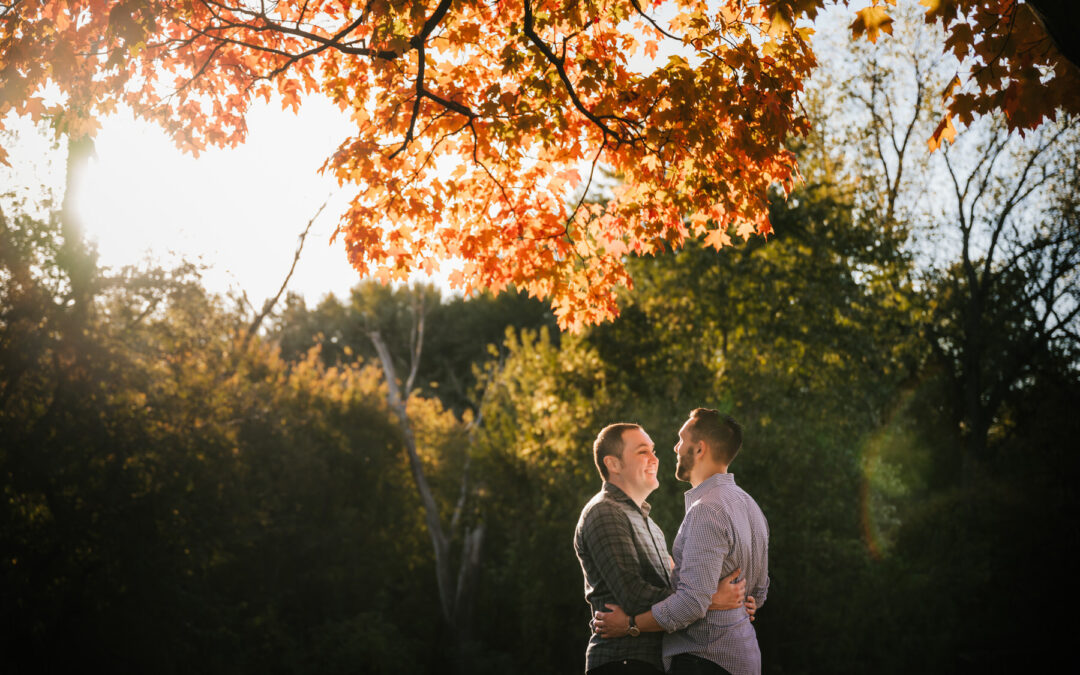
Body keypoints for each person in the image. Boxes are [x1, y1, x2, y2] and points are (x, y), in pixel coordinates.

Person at [592, 410, 769, 675]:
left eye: (681, 439)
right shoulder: (750, 506)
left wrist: (630, 624)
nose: (675, 448)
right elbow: (759, 593)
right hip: (743, 658)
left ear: (699, 449)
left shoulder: (707, 510)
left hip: (705, 659)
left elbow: (690, 604)